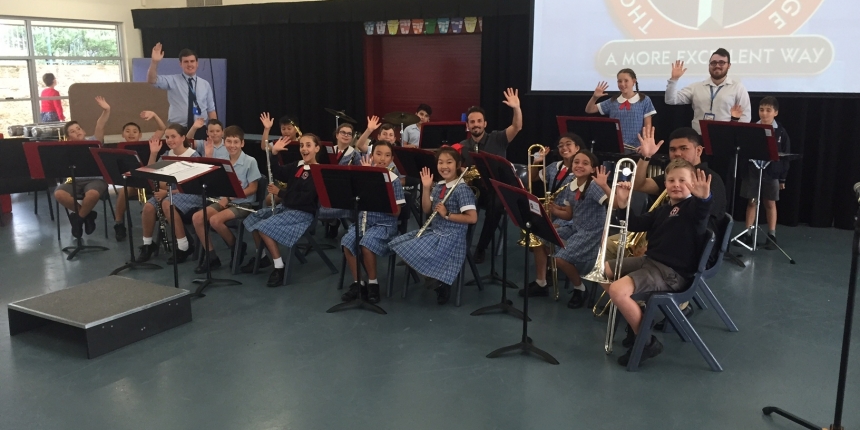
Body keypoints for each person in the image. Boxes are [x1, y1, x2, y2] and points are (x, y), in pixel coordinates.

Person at [605, 159, 714, 367]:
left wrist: (704, 198)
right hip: (652, 262)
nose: (676, 184)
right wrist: (623, 203)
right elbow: (635, 225)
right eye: (671, 180)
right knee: (604, 271)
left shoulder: (692, 208)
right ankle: (638, 320)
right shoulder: (664, 209)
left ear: (693, 184)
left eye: (683, 180)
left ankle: (647, 341)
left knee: (617, 291)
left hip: (671, 273)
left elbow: (702, 211)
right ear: (665, 184)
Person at [389, 146, 478, 305]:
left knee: (410, 251)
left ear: (457, 165)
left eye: (449, 162)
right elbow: (426, 208)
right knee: (400, 245)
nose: (444, 166)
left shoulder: (462, 189)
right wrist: (426, 187)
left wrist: (447, 214)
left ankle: (440, 283)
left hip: (452, 237)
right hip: (435, 231)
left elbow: (472, 218)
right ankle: (435, 279)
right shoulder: (439, 186)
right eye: (440, 162)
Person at [248, 134, 323, 287]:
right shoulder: (298, 165)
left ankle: (279, 267)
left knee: (264, 228)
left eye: (308, 145)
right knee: (253, 218)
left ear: (317, 148)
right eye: (302, 145)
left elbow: (305, 199)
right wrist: (274, 154)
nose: (304, 149)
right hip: (287, 207)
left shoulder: (318, 172)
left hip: (303, 213)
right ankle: (262, 257)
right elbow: (278, 173)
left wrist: (280, 193)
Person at [340, 141, 406, 304]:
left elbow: (397, 211)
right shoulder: (363, 177)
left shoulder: (394, 180)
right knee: (347, 243)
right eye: (378, 154)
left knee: (366, 245)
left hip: (384, 225)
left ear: (391, 159)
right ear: (371, 155)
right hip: (364, 222)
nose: (382, 158)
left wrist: (378, 197)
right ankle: (359, 284)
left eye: (387, 155)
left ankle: (373, 283)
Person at [462, 88, 523, 264]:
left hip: (496, 191)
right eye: (472, 122)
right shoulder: (463, 145)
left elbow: (517, 127)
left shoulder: (498, 138)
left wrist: (516, 108)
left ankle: (481, 248)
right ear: (468, 126)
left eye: (479, 121)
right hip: (474, 191)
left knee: (496, 204)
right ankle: (457, 244)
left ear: (485, 124)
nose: (476, 124)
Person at [191, 126, 261, 274]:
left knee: (215, 221)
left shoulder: (250, 161)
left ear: (242, 143)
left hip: (244, 203)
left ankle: (236, 246)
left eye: (236, 142)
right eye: (229, 141)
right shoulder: (222, 161)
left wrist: (229, 196)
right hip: (224, 201)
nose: (232, 145)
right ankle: (212, 257)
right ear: (225, 142)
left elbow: (253, 188)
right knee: (197, 218)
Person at [518, 134, 578, 298]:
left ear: (578, 148)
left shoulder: (581, 169)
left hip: (571, 218)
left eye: (568, 144)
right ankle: (542, 280)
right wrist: (537, 160)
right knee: (536, 234)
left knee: (543, 235)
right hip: (553, 214)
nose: (564, 148)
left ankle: (548, 275)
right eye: (560, 146)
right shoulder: (554, 166)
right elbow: (532, 178)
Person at [135, 124, 198, 262]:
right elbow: (151, 172)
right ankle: (147, 244)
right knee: (148, 207)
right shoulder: (166, 155)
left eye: (173, 136)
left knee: (166, 203)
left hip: (189, 194)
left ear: (183, 138)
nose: (169, 140)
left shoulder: (193, 155)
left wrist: (168, 192)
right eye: (167, 137)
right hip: (169, 193)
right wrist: (153, 153)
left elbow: (192, 186)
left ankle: (183, 246)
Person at [54, 96, 111, 239]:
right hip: (74, 180)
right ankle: (87, 215)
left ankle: (78, 220)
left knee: (92, 194)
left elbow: (100, 125)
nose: (77, 131)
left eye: (78, 128)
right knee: (59, 193)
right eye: (73, 131)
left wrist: (107, 109)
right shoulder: (65, 148)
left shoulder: (94, 141)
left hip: (96, 179)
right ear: (68, 137)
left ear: (84, 131)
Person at [739, 96, 790, 249]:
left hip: (771, 172)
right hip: (753, 171)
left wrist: (782, 179)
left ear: (776, 112)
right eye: (761, 110)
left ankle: (772, 235)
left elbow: (785, 155)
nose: (764, 114)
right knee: (752, 201)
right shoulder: (751, 129)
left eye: (768, 110)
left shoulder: (780, 132)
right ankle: (747, 233)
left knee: (770, 202)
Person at [665, 48, 751, 134]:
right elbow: (671, 100)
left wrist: (734, 135)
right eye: (713, 63)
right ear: (709, 65)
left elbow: (745, 117)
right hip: (698, 137)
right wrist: (674, 79)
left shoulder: (737, 88)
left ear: (729, 66)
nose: (717, 65)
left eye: (721, 62)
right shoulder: (696, 87)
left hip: (725, 137)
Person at [113, 110, 167, 241]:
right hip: (133, 182)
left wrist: (154, 115)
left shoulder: (149, 144)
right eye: (127, 131)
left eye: (134, 131)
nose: (131, 133)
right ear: (122, 134)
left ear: (140, 134)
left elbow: (162, 128)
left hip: (150, 182)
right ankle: (119, 224)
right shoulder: (120, 148)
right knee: (123, 191)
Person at [147, 43, 217, 138]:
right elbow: (152, 80)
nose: (189, 64)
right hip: (178, 129)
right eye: (186, 62)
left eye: (192, 61)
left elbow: (211, 110)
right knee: (179, 153)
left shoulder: (205, 84)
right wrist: (154, 62)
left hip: (200, 128)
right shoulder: (173, 80)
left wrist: (214, 130)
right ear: (181, 64)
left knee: (201, 152)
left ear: (197, 63)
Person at [585, 69, 656, 151]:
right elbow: (589, 110)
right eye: (619, 81)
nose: (622, 84)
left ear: (633, 81)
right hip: (615, 147)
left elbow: (648, 126)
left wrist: (646, 144)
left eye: (626, 81)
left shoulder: (644, 100)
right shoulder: (613, 101)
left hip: (636, 148)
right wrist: (595, 97)